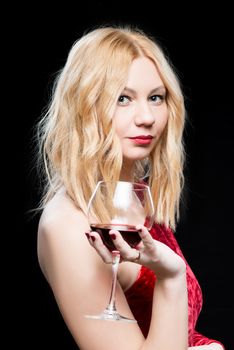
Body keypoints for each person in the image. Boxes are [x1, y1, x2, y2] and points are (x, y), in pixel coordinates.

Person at [36, 25, 225, 349]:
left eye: (156, 97)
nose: (147, 117)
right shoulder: (68, 226)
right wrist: (171, 276)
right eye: (123, 98)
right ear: (84, 106)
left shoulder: (133, 196)